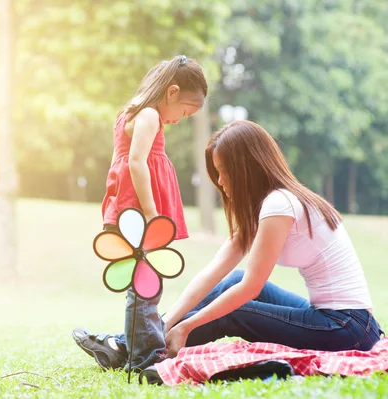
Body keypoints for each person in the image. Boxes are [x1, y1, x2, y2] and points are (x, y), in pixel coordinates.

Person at [75, 119, 384, 374]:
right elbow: (212, 274)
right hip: (335, 319)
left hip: (348, 329)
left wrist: (187, 327)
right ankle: (134, 345)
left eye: (224, 170)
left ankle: (145, 350)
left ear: (246, 168)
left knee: (235, 308)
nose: (221, 181)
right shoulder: (269, 206)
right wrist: (166, 322)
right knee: (231, 281)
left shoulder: (280, 204)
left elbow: (251, 288)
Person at [72, 55, 208, 371]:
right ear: (171, 92)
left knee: (144, 280)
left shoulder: (132, 111)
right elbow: (136, 162)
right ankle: (145, 354)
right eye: (184, 111)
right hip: (139, 211)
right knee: (146, 282)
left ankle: (134, 347)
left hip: (130, 207)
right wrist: (150, 213)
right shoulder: (148, 114)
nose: (180, 119)